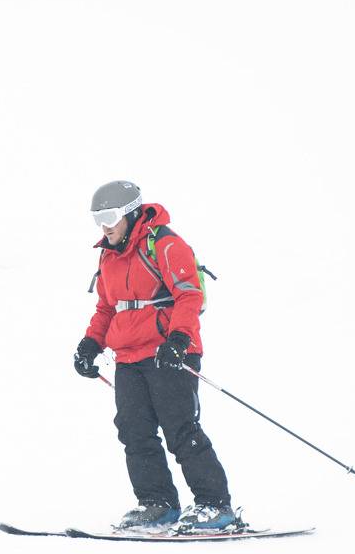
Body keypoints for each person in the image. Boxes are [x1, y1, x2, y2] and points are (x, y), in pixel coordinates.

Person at [72, 181, 237, 532]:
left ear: (131, 213)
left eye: (110, 217)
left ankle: (214, 505)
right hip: (128, 356)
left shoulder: (164, 244)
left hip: (168, 352)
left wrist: (179, 339)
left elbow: (189, 295)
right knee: (134, 431)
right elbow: (106, 308)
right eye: (97, 218)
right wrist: (90, 344)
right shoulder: (109, 255)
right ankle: (157, 503)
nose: (104, 226)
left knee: (180, 428)